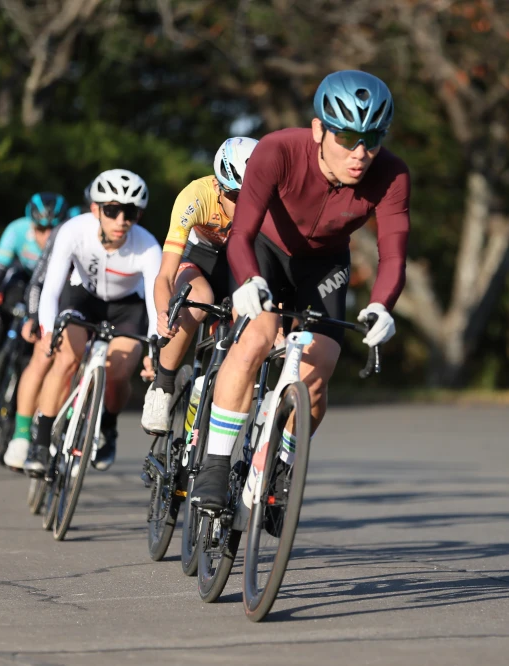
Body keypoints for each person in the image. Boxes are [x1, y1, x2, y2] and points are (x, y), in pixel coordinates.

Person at [189, 69, 410, 510]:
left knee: (318, 370)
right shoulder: (278, 150)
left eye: (372, 139)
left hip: (324, 264)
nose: (360, 153)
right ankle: (214, 464)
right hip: (264, 250)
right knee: (255, 338)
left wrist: (382, 305)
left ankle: (279, 471)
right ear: (318, 130)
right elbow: (241, 233)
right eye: (347, 137)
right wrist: (249, 279)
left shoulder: (392, 175)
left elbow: (393, 255)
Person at [22, 169, 161, 474]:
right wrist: (48, 330)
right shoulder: (73, 230)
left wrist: (154, 349)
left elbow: (156, 303)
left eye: (130, 213)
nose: (121, 220)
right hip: (82, 298)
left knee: (119, 373)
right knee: (65, 360)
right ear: (96, 209)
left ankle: (108, 427)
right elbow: (51, 289)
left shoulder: (148, 246)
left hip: (127, 308)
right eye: (112, 211)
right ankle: (40, 443)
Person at [140, 137, 259, 434]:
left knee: (248, 314)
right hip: (200, 256)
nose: (242, 206)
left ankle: (217, 384)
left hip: (239, 259)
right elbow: (165, 276)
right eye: (235, 196)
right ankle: (163, 386)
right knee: (197, 299)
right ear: (219, 187)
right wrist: (163, 313)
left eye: (251, 197)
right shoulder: (196, 196)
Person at [3, 183, 94, 470]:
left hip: (89, 301)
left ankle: (68, 428)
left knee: (78, 363)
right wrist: (34, 318)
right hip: (58, 298)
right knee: (43, 355)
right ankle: (20, 437)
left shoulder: (120, 236)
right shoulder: (65, 234)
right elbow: (38, 283)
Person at [0, 192, 68, 392]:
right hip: (22, 278)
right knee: (4, 294)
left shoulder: (68, 237)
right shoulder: (16, 230)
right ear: (31, 225)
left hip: (50, 284)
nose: (47, 236)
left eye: (53, 229)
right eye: (41, 229)